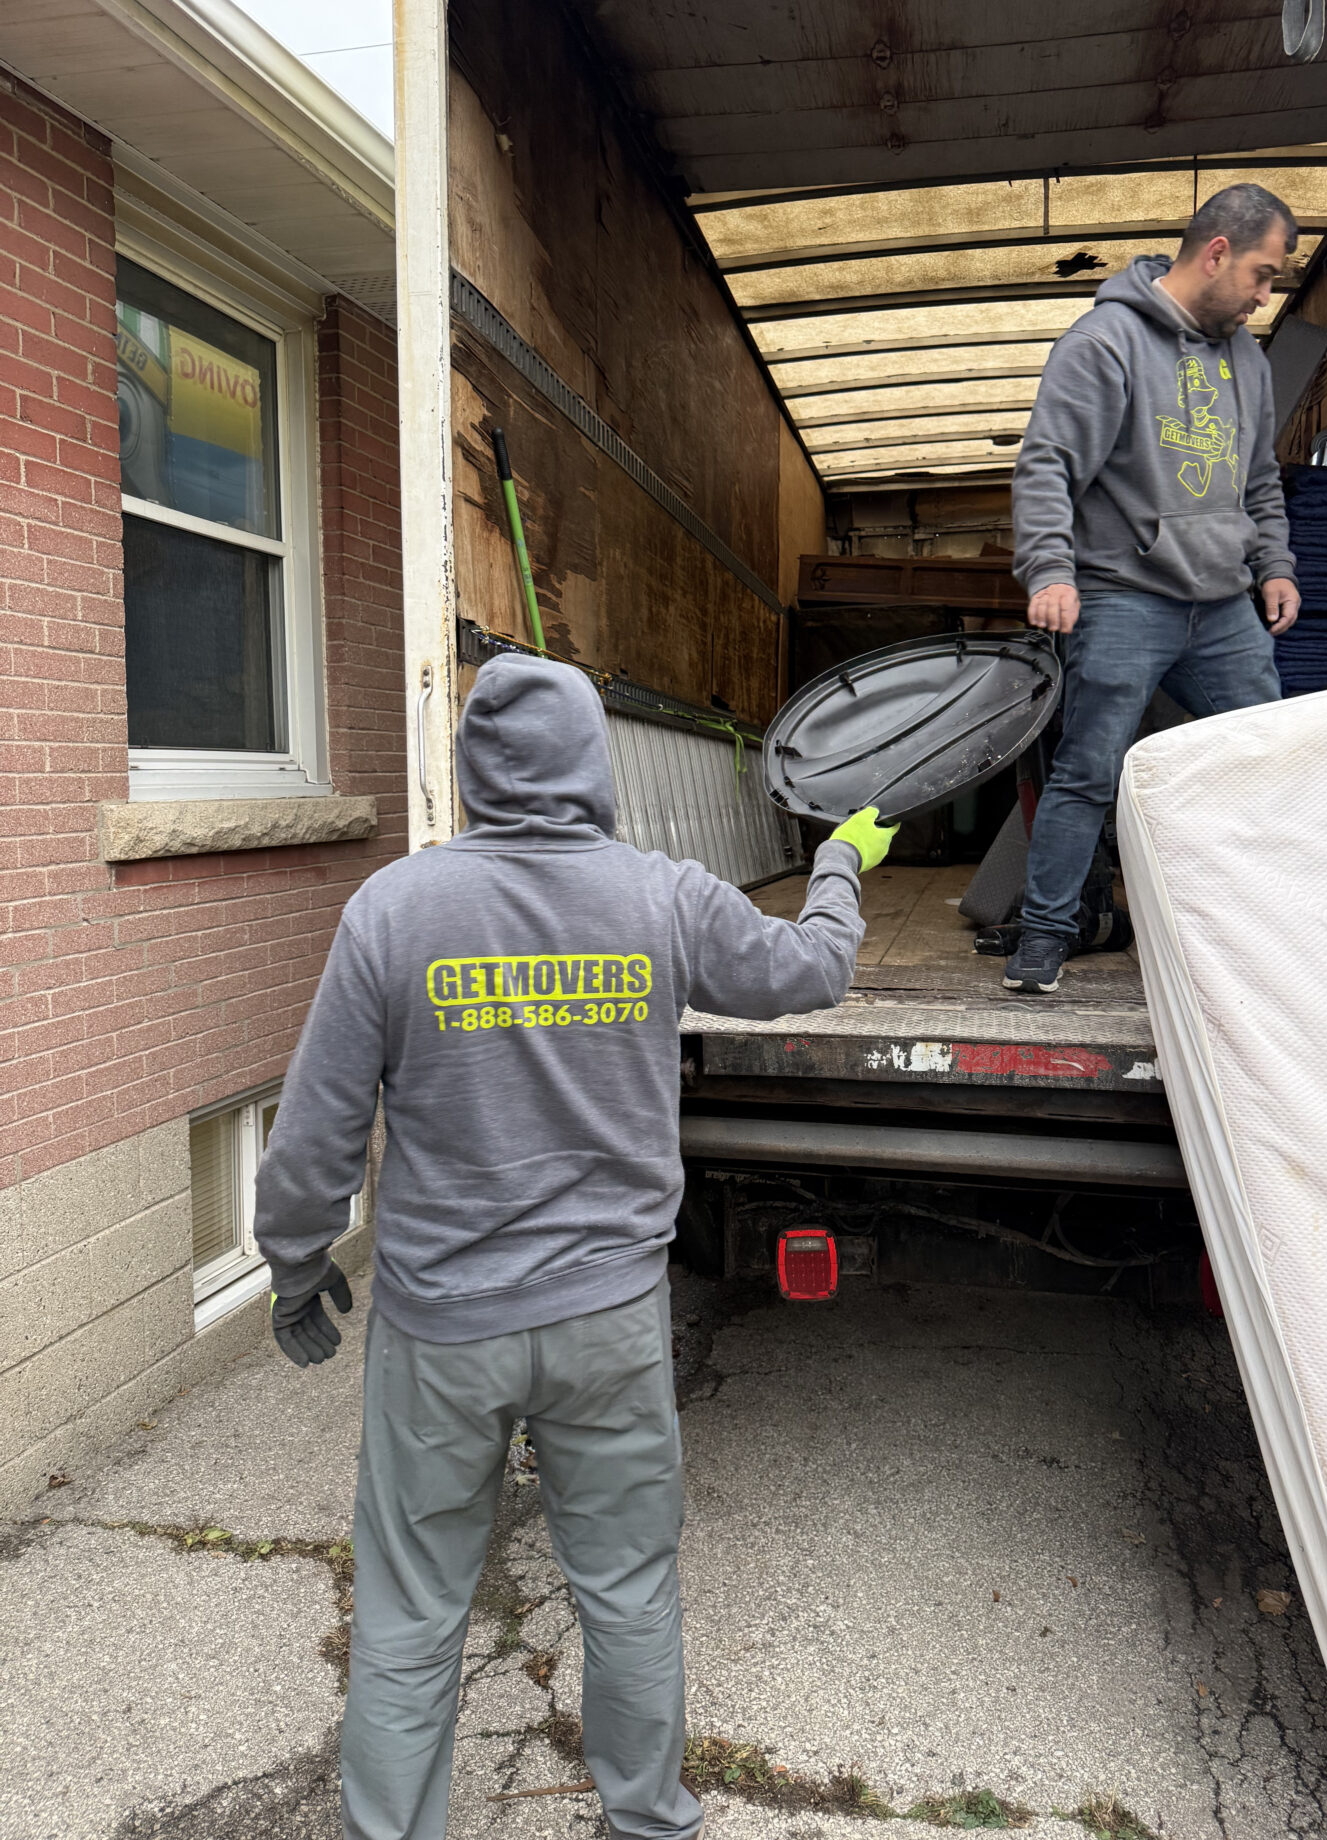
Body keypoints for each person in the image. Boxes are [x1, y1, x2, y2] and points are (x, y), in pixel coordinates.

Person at [253, 653, 895, 1840]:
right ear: (594, 763)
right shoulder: (660, 895)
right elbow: (815, 971)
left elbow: (316, 1132)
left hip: (443, 1332)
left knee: (408, 1614)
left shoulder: (394, 910)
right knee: (630, 1592)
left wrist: (295, 1264)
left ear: (473, 769)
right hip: (608, 1323)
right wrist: (843, 866)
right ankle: (647, 1821)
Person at [1003, 182, 1303, 993]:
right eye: (1262, 275)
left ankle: (1268, 933)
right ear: (1216, 254)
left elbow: (1261, 480)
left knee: (1267, 758)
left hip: (1221, 605)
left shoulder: (1247, 358)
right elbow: (1047, 466)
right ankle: (1042, 939)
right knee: (1089, 770)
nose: (1264, 296)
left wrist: (1274, 565)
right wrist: (1051, 570)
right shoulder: (1104, 343)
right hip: (1124, 595)